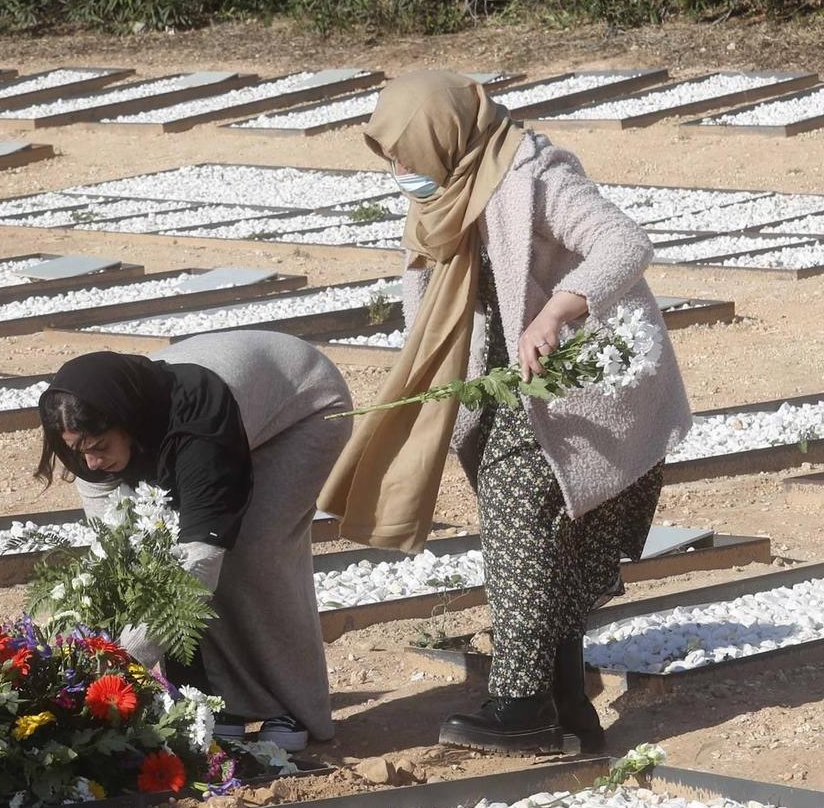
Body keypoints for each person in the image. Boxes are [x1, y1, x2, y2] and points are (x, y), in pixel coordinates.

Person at [321, 71, 692, 755]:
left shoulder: (535, 176)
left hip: (585, 375)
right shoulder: (435, 205)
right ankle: (568, 704)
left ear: (447, 137)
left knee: (520, 509)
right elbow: (430, 302)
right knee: (543, 538)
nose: (400, 170)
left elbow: (625, 243)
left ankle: (520, 702)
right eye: (391, 158)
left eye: (406, 153)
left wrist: (557, 308)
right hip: (501, 378)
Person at [36, 334, 351, 750]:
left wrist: (124, 663)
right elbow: (119, 548)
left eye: (99, 448)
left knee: (253, 552)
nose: (91, 463)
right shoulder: (91, 433)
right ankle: (217, 700)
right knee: (157, 550)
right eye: (79, 452)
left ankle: (291, 706)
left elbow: (198, 561)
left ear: (126, 422)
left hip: (303, 409)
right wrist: (100, 642)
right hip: (234, 414)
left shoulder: (198, 427)